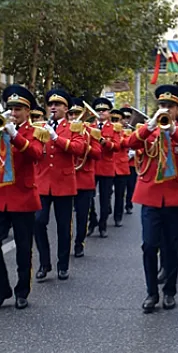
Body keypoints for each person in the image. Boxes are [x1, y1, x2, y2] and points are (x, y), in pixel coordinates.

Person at [126, 85, 178, 313]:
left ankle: (169, 291)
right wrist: (150, 125)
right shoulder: (149, 130)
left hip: (177, 198)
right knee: (149, 245)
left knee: (172, 247)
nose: (165, 109)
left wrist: (174, 130)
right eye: (162, 105)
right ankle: (151, 293)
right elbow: (130, 144)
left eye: (170, 106)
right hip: (151, 197)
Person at [0, 85, 45, 311]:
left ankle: (22, 291)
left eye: (18, 109)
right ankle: (2, 289)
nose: (13, 113)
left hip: (23, 197)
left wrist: (14, 135)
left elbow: (35, 154)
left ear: (28, 111)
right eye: (11, 108)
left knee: (24, 249)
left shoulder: (37, 130)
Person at [34, 89, 87, 281]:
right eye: (51, 104)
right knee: (38, 222)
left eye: (57, 104)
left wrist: (56, 138)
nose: (53, 107)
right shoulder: (39, 126)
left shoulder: (74, 127)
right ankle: (44, 262)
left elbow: (79, 148)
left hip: (63, 182)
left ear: (66, 108)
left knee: (64, 226)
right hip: (42, 181)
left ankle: (62, 264)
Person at [68, 101, 101, 258]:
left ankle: (79, 243)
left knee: (82, 215)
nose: (75, 117)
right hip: (67, 178)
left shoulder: (92, 132)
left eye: (77, 114)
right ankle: (66, 243)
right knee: (66, 217)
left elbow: (97, 153)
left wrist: (85, 146)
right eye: (72, 114)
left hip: (84, 179)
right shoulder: (64, 130)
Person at [90, 98, 120, 238]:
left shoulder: (114, 128)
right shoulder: (89, 126)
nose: (101, 112)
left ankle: (103, 225)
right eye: (98, 110)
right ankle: (92, 220)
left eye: (104, 110)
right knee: (88, 198)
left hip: (106, 167)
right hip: (91, 167)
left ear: (109, 113)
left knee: (104, 199)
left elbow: (117, 146)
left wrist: (104, 142)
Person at [110, 108, 131, 228]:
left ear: (122, 121)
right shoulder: (105, 131)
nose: (115, 122)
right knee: (106, 193)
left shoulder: (126, 133)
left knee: (119, 194)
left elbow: (128, 143)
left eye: (117, 120)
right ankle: (106, 209)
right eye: (112, 119)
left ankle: (118, 216)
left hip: (121, 167)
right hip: (108, 167)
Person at [121, 108, 138, 215]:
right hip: (120, 163)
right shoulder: (117, 129)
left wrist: (133, 153)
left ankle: (129, 205)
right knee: (121, 187)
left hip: (132, 164)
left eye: (128, 117)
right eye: (124, 118)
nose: (126, 120)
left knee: (131, 186)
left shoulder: (135, 130)